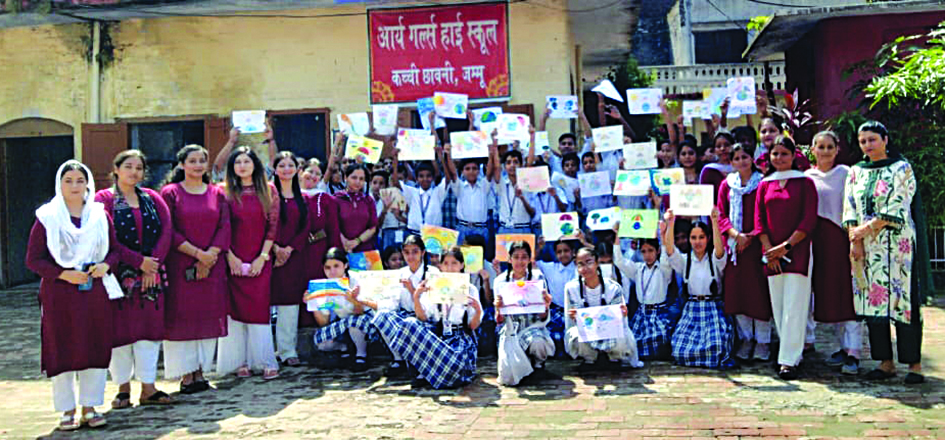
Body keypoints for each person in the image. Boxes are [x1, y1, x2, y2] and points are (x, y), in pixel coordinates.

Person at [26, 160, 123, 430]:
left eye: (80, 180)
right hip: (60, 293)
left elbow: (115, 250)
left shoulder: (99, 215)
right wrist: (63, 274)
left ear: (88, 184)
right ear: (59, 184)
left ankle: (90, 407)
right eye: (68, 181)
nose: (74, 186)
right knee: (62, 347)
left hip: (94, 291)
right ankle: (66, 410)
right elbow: (33, 259)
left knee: (94, 345)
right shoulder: (48, 217)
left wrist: (106, 266)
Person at [844, 121, 931, 384]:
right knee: (872, 303)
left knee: (904, 303)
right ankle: (885, 363)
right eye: (863, 141)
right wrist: (855, 240)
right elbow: (849, 207)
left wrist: (867, 228)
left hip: (898, 247)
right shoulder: (855, 172)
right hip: (867, 248)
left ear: (885, 139)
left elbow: (899, 204)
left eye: (872, 139)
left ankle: (914, 365)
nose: (867, 145)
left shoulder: (901, 168)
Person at [95, 151, 173, 408]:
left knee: (149, 332)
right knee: (120, 333)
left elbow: (166, 231)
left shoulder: (152, 198)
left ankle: (148, 387)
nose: (134, 172)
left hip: (151, 277)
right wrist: (138, 262)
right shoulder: (104, 200)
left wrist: (151, 266)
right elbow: (107, 237)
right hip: (118, 277)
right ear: (116, 169)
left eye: (139, 168)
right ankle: (122, 388)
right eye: (128, 166)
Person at [160, 145, 230, 394]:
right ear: (182, 165)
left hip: (212, 267)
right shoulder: (170, 193)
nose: (198, 165)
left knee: (207, 317)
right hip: (181, 265)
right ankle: (186, 374)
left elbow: (225, 226)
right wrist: (198, 255)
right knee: (183, 318)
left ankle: (201, 371)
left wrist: (210, 256)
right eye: (192, 161)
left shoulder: (217, 193)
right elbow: (168, 229)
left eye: (202, 160)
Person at [753, 136, 818, 380]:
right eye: (775, 154)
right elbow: (759, 220)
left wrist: (786, 247)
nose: (779, 158)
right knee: (779, 305)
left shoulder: (805, 183)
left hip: (797, 251)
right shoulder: (764, 184)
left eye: (784, 153)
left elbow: (809, 219)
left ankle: (787, 361)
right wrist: (770, 250)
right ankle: (790, 351)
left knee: (795, 305)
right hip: (771, 254)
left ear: (793, 156)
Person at [373, 247, 482, 389]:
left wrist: (477, 310)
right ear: (440, 266)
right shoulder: (433, 285)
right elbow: (422, 318)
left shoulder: (470, 289)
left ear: (461, 265)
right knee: (409, 323)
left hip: (458, 338)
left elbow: (472, 326)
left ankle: (430, 371)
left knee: (455, 362)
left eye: (454, 263)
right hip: (437, 335)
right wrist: (417, 297)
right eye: (446, 263)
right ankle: (423, 369)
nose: (450, 268)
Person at [218, 147, 280, 380]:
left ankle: (265, 361)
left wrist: (262, 257)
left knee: (259, 309)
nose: (242, 166)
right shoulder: (224, 191)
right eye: (237, 162)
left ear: (255, 164)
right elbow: (222, 226)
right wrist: (230, 256)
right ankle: (239, 361)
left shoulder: (269, 190)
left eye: (246, 161)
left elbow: (272, 227)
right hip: (232, 258)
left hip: (260, 258)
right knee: (234, 310)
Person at [804, 131, 861, 375]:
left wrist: (855, 239)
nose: (825, 151)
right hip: (819, 243)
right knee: (829, 296)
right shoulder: (807, 177)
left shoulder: (847, 174)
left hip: (843, 239)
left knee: (848, 295)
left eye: (830, 146)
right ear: (812, 150)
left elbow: (856, 207)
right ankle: (841, 347)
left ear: (837, 149)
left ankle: (854, 351)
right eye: (821, 147)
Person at [717, 144, 773, 362]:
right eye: (737, 158)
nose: (741, 161)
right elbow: (721, 215)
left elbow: (765, 214)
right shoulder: (726, 185)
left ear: (752, 159)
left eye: (745, 157)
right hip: (734, 249)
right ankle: (746, 338)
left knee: (758, 295)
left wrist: (749, 237)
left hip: (756, 246)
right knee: (738, 295)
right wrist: (735, 235)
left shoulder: (762, 184)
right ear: (731, 162)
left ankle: (763, 341)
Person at [663, 208, 733, 369]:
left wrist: (714, 221)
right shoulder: (685, 261)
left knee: (716, 346)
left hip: (712, 309)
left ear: (708, 238)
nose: (697, 242)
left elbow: (720, 251)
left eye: (701, 237)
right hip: (691, 311)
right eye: (693, 237)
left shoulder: (714, 260)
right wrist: (670, 223)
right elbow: (670, 251)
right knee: (678, 350)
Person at [565, 247, 643, 371]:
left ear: (597, 263)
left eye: (589, 262)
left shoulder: (613, 287)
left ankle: (614, 357)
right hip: (587, 330)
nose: (585, 268)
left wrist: (622, 313)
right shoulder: (571, 288)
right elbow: (571, 321)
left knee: (621, 333)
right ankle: (590, 358)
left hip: (609, 329)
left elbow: (619, 319)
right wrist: (575, 317)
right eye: (580, 264)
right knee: (575, 333)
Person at [493, 241, 554, 386]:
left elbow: (542, 316)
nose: (520, 261)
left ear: (529, 259)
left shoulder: (537, 278)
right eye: (516, 257)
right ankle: (524, 362)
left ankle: (538, 363)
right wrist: (498, 308)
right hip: (511, 329)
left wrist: (546, 305)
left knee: (538, 343)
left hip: (533, 326)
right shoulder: (500, 281)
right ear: (509, 259)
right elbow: (499, 320)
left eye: (524, 257)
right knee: (508, 377)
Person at [270, 152, 310, 367]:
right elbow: (265, 223)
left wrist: (289, 249)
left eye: (290, 165)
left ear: (297, 169)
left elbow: (305, 228)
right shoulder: (268, 194)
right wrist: (275, 248)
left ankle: (288, 350)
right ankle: (266, 352)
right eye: (282, 165)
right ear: (275, 169)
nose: (286, 169)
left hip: (294, 258)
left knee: (290, 305)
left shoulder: (303, 198)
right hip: (268, 255)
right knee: (265, 305)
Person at [382, 235, 441, 376]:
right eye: (407, 252)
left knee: (411, 323)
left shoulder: (432, 272)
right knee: (382, 316)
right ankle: (399, 359)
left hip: (426, 319)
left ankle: (420, 364)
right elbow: (393, 303)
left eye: (415, 252)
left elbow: (429, 309)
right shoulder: (400, 273)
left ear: (423, 252)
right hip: (405, 316)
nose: (410, 256)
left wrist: (412, 290)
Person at [311, 248, 376, 372]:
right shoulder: (324, 286)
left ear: (345, 265)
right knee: (321, 342)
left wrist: (352, 300)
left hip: (365, 321)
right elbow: (323, 322)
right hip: (342, 323)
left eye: (336, 266)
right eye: (328, 267)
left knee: (354, 323)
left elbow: (362, 311)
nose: (332, 271)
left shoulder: (356, 280)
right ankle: (344, 347)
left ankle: (361, 355)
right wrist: (313, 303)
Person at [612, 235, 675, 361]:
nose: (647, 255)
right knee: (631, 341)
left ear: (658, 251)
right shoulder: (637, 269)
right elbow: (619, 261)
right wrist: (617, 236)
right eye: (644, 251)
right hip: (642, 314)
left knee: (661, 338)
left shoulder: (664, 270)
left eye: (651, 250)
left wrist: (663, 236)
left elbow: (665, 259)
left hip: (659, 314)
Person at [534, 239, 577, 356]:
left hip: (574, 310)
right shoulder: (550, 268)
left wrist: (584, 241)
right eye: (559, 252)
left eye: (566, 251)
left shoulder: (579, 267)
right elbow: (532, 261)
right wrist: (539, 247)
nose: (563, 254)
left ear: (573, 252)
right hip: (556, 311)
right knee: (553, 336)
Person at [333, 163, 378, 253]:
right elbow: (333, 225)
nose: (358, 182)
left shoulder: (368, 200)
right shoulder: (336, 199)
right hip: (342, 249)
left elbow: (373, 227)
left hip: (366, 250)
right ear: (346, 178)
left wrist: (357, 241)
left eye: (361, 179)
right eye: (354, 178)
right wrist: (346, 243)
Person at [491, 148, 537, 234]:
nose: (512, 165)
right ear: (504, 166)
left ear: (521, 165)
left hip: (523, 228)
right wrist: (494, 145)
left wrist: (522, 198)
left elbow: (532, 213)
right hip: (504, 228)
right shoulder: (502, 183)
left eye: (516, 162)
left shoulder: (527, 184)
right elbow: (497, 167)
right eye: (508, 163)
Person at [699, 131, 735, 205]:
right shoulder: (709, 170)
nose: (722, 149)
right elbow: (705, 197)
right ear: (714, 150)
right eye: (718, 146)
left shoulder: (742, 168)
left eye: (727, 145)